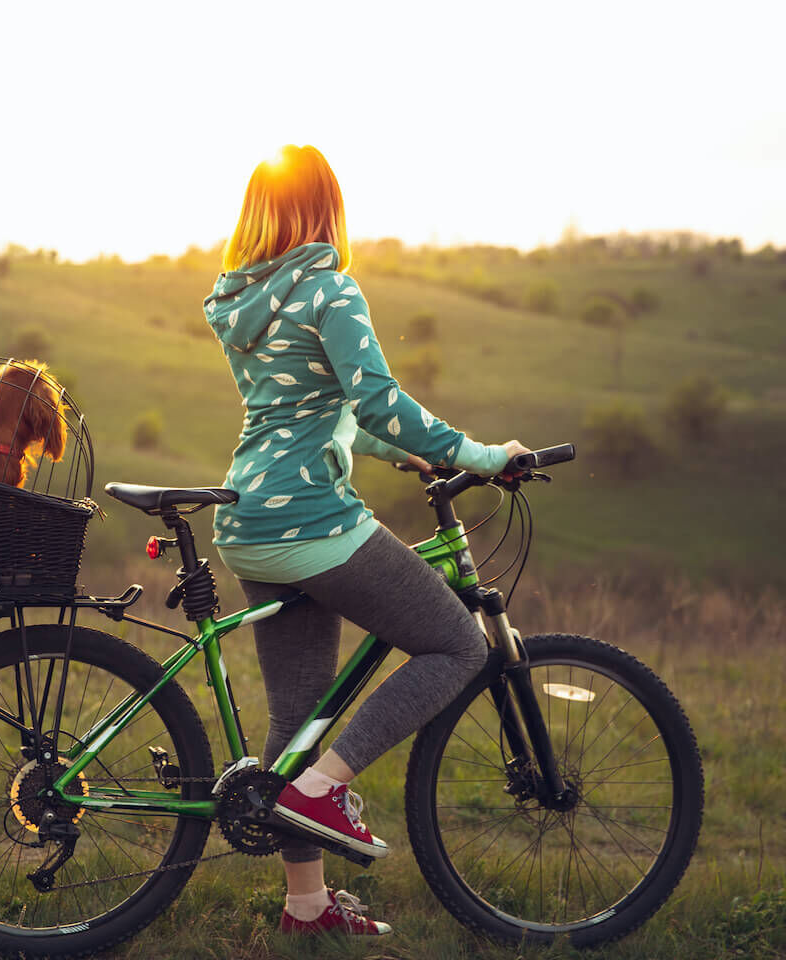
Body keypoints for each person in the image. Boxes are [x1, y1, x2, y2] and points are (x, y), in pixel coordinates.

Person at [202, 145, 532, 937]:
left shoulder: (241, 300)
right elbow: (375, 400)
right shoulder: (330, 289)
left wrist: (393, 452)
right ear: (327, 210)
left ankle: (307, 907)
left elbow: (305, 404)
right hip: (311, 521)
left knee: (299, 723)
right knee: (458, 645)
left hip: (249, 518)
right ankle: (324, 791)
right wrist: (482, 455)